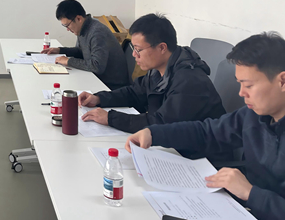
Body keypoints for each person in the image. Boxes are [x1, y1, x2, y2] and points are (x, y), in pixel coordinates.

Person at [126, 32, 285, 220]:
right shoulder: (253, 115)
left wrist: (250, 193)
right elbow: (207, 132)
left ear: (282, 81)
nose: (241, 93)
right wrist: (153, 134)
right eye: (240, 84)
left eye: (248, 85)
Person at [79, 13, 227, 159]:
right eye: (133, 48)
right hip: (174, 147)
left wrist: (111, 118)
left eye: (138, 49)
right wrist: (99, 98)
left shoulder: (189, 81)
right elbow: (135, 93)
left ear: (162, 48)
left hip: (201, 158)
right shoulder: (160, 69)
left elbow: (161, 123)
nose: (134, 55)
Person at [43, 0, 130, 90]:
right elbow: (81, 51)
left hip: (110, 86)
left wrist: (68, 61)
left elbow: (97, 66)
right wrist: (60, 50)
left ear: (78, 19)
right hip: (96, 79)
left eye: (67, 25)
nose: (67, 29)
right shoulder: (83, 28)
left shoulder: (97, 32)